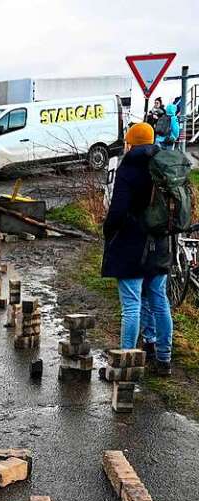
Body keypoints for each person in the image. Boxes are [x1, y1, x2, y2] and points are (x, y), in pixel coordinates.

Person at [101, 122, 172, 376]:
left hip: (132, 244)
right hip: (160, 242)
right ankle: (163, 359)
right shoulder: (163, 163)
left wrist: (108, 231)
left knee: (131, 305)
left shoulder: (129, 168)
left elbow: (117, 211)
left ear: (131, 142)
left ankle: (126, 363)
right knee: (159, 301)